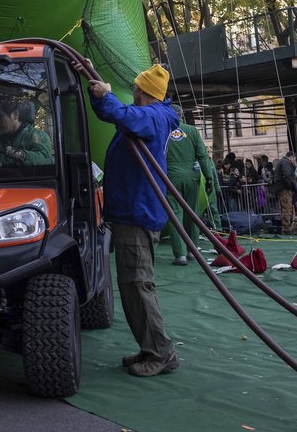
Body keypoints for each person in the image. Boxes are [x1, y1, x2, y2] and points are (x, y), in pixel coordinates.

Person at [86, 64, 180, 378]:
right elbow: (118, 116)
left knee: (139, 284)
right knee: (131, 285)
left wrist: (109, 97)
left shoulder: (154, 116)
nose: (134, 93)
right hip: (131, 211)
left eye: (137, 89)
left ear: (143, 92)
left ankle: (160, 352)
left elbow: (127, 117)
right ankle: (150, 347)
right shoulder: (150, 117)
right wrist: (100, 98)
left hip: (138, 212)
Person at [164, 117, 214, 264]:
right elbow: (202, 155)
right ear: (181, 115)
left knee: (175, 214)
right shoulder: (192, 130)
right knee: (192, 213)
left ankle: (180, 255)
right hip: (192, 177)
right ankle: (193, 250)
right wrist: (209, 177)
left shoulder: (163, 129)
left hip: (170, 177)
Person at [0, 99, 53, 168]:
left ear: (15, 114)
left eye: (0, 116)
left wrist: (22, 155)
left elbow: (44, 159)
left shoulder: (37, 136)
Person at [268, 149, 297, 235]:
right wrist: (290, 186)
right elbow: (287, 175)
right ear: (291, 157)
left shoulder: (282, 162)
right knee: (287, 208)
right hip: (284, 188)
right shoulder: (286, 162)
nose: (294, 161)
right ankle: (287, 228)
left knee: (285, 208)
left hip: (281, 187)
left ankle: (286, 227)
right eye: (294, 158)